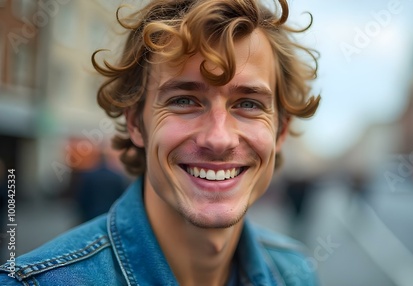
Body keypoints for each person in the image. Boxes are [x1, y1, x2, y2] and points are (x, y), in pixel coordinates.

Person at [0, 0, 320, 284]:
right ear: (136, 123)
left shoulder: (297, 272)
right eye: (184, 100)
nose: (219, 138)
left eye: (248, 104)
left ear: (280, 132)